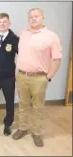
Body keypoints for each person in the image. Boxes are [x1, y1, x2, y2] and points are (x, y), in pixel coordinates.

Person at [12, 8, 62, 147]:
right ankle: (22, 128)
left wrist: (49, 77)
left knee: (38, 107)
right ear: (28, 19)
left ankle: (37, 133)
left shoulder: (51, 36)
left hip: (39, 78)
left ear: (42, 18)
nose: (33, 19)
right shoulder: (24, 34)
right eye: (31, 17)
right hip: (22, 76)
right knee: (22, 105)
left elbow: (57, 59)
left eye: (36, 16)